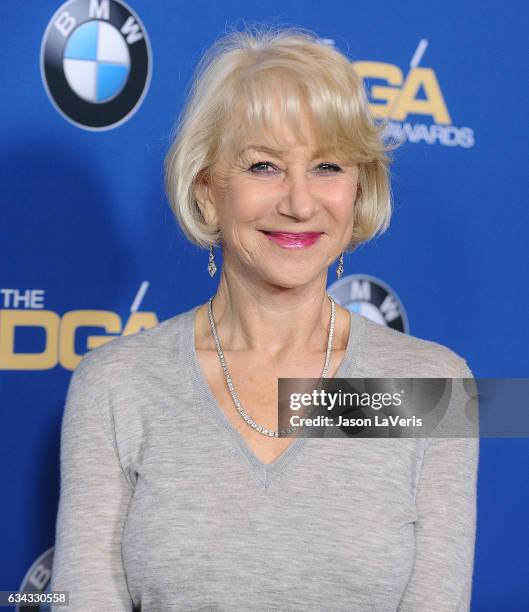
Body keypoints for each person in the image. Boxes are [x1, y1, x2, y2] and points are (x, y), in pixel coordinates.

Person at [50, 25, 479, 611]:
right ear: (207, 192)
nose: (300, 203)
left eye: (328, 166)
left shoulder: (434, 386)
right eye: (263, 167)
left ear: (359, 191)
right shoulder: (114, 385)